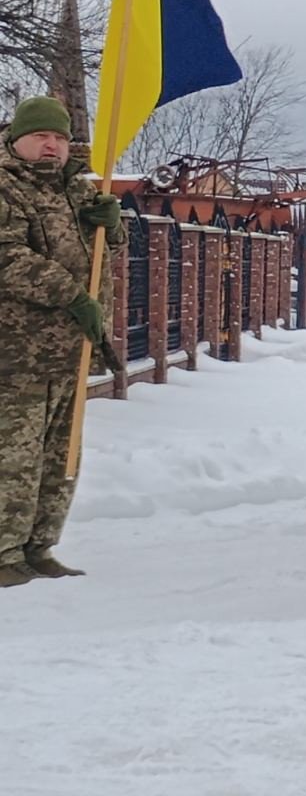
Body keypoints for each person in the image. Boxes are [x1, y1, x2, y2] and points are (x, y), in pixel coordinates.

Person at [0, 96, 126, 588]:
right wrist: (72, 296)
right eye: (41, 137)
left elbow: (101, 253)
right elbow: (8, 256)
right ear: (18, 140)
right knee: (14, 455)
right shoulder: (7, 186)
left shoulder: (77, 189)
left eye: (59, 137)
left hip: (70, 350)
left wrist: (113, 227)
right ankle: (4, 551)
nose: (51, 146)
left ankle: (39, 546)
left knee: (60, 455)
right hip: (17, 353)